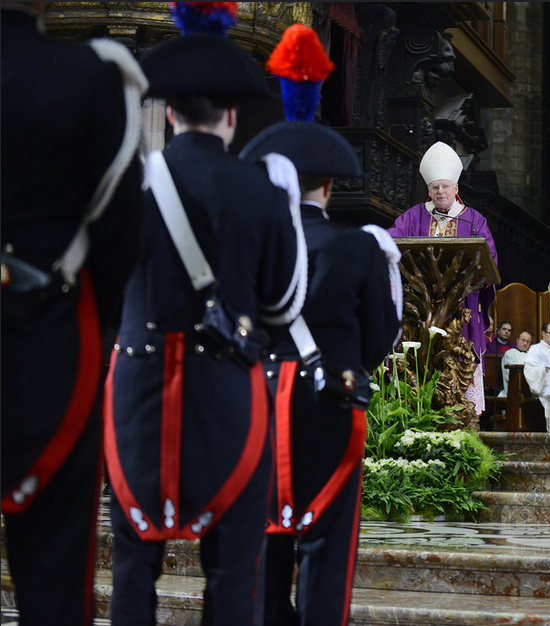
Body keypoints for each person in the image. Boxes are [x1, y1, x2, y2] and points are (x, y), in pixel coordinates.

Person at [103, 5, 308, 624]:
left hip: (138, 396)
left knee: (132, 569)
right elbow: (279, 306)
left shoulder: (131, 185)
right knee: (232, 574)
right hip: (229, 396)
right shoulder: (265, 192)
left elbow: (107, 288)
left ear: (169, 111)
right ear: (234, 115)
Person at [238, 23, 403, 626]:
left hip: (260, 403)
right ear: (329, 186)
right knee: (327, 544)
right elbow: (380, 343)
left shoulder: (255, 242)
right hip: (329, 403)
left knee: (263, 540)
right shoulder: (362, 249)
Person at [1, 3, 145, 623]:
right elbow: (118, 237)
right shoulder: (88, 75)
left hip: (52, 333)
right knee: (53, 579)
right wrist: (99, 318)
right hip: (50, 344)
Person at [386, 140, 498, 414]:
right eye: (435, 187)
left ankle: (460, 408)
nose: (440, 191)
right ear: (428, 190)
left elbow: (489, 258)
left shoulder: (473, 220)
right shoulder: (413, 216)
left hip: (459, 304)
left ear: (456, 189)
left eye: (445, 186)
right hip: (419, 303)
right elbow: (391, 240)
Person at [498, 331, 532, 399]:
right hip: (513, 390)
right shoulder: (510, 353)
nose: (525, 343)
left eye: (528, 342)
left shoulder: (532, 355)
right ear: (517, 340)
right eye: (523, 340)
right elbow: (513, 375)